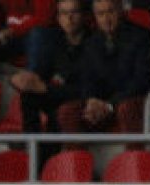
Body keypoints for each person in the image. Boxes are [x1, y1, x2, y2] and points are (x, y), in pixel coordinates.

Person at [57, 0, 150, 134]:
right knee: (67, 111)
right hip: (103, 104)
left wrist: (110, 105)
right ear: (95, 17)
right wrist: (91, 101)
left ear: (120, 11)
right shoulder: (91, 43)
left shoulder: (141, 37)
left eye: (110, 12)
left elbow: (142, 81)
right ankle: (75, 154)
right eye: (100, 14)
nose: (106, 19)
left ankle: (134, 154)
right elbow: (87, 80)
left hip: (131, 100)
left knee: (126, 108)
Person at [8, 0, 90, 134]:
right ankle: (31, 145)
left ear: (84, 15)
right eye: (64, 13)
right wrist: (21, 80)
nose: (69, 18)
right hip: (57, 94)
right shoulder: (54, 42)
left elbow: (87, 88)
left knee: (57, 111)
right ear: (58, 18)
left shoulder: (94, 43)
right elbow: (41, 74)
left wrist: (46, 89)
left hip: (82, 99)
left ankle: (45, 151)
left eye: (74, 13)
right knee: (29, 95)